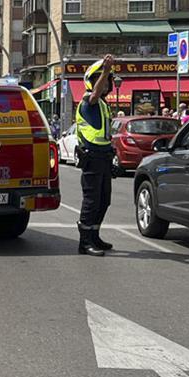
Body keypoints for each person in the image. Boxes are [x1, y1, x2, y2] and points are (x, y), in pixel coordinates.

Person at [75, 55, 116, 257]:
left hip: (104, 157)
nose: (107, 83)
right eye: (102, 79)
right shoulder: (88, 100)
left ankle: (94, 234)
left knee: (104, 200)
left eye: (108, 80)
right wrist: (106, 70)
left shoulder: (103, 104)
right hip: (92, 157)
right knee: (91, 201)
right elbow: (95, 94)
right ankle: (85, 242)